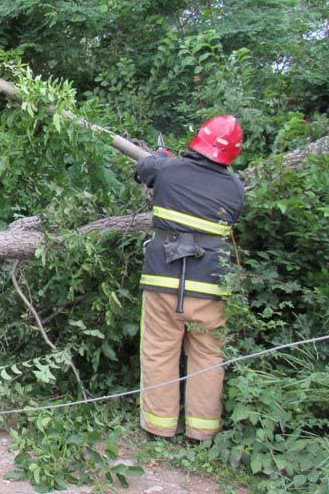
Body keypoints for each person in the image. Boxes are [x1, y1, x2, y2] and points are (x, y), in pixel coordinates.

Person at [135, 115, 246, 442]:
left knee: (159, 353)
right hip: (211, 287)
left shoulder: (167, 170)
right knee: (209, 358)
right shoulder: (236, 189)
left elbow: (143, 170)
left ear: (200, 139)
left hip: (164, 282)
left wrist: (162, 159)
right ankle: (202, 434)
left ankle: (158, 429)